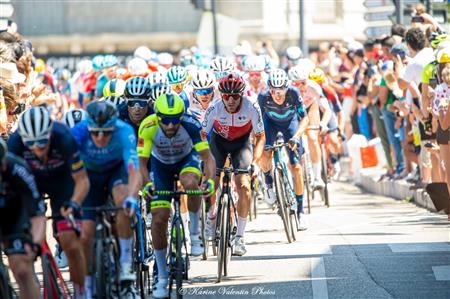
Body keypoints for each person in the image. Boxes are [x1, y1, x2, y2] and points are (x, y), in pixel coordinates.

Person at [138, 93, 216, 299]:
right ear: (157, 116)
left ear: (181, 116)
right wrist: (146, 184)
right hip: (160, 166)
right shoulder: (147, 126)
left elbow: (207, 158)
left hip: (186, 161)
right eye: (165, 120)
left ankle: (195, 233)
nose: (171, 125)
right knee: (158, 218)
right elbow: (141, 162)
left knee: (191, 183)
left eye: (175, 120)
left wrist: (210, 181)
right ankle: (162, 276)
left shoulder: (191, 125)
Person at [8, 106, 89, 298]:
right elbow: (12, 187)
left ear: (50, 134)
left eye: (43, 143)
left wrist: (74, 204)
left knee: (69, 240)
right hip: (31, 182)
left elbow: (82, 181)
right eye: (32, 144)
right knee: (28, 236)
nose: (37, 149)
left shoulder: (64, 137)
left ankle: (81, 291)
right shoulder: (15, 142)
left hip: (62, 182)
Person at [71, 100, 141, 298]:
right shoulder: (77, 132)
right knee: (86, 234)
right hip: (88, 177)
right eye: (95, 132)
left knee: (123, 203)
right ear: (88, 127)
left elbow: (134, 170)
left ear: (114, 127)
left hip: (115, 173)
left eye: (106, 132)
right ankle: (88, 286)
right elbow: (67, 171)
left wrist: (132, 197)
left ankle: (126, 269)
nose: (100, 137)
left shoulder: (124, 131)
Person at [201, 73, 265, 256]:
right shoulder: (214, 107)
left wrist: (255, 162)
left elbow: (261, 137)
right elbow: (202, 135)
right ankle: (211, 216)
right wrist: (205, 158)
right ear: (221, 95)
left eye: (235, 96)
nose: (230, 100)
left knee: (244, 185)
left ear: (242, 95)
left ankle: (239, 238)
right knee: (211, 181)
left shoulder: (251, 106)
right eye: (226, 96)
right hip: (218, 143)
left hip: (241, 145)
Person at [258, 68, 309, 228]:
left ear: (287, 88)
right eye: (274, 91)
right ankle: (268, 184)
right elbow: (257, 121)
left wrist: (296, 137)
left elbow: (304, 119)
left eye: (281, 91)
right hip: (270, 123)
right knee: (265, 152)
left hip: (290, 124)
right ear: (269, 89)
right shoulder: (263, 97)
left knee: (297, 167)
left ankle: (300, 211)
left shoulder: (294, 93)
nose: (277, 95)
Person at [0, 138, 46, 299]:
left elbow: (38, 215)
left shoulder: (18, 169)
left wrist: (34, 246)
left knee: (22, 269)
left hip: (15, 212)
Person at [289, 66, 333, 189]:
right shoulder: (287, 91)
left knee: (313, 138)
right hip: (295, 112)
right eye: (297, 84)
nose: (302, 86)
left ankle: (318, 177)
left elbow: (327, 110)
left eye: (304, 82)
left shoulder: (314, 88)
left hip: (310, 108)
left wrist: (323, 123)